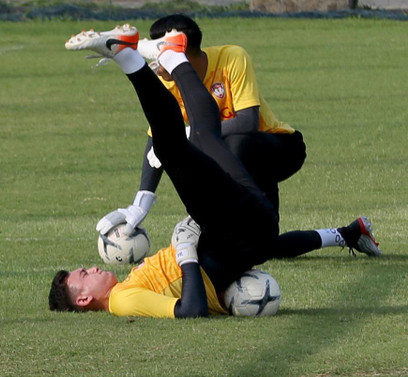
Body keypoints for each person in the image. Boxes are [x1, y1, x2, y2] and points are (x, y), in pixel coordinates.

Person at [51, 25, 380, 317]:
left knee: (204, 134)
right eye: (83, 275)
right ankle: (137, 57)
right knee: (172, 147)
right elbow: (190, 310)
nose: (91, 267)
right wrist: (185, 252)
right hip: (236, 230)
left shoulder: (132, 281)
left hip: (242, 225)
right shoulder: (121, 301)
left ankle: (169, 56)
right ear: (84, 300)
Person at [94, 15, 378, 260]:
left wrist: (189, 135)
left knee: (233, 143)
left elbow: (247, 122)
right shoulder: (168, 81)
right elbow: (157, 137)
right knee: (263, 245)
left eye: (158, 54)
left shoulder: (232, 57)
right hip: (241, 166)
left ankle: (203, 220)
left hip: (277, 148)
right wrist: (141, 202)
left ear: (184, 50)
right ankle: (350, 234)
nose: (155, 63)